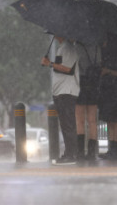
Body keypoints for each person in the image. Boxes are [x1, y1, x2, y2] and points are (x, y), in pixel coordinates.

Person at [41, 36, 80, 165]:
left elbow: (68, 69)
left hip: (66, 91)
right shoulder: (62, 48)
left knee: (68, 124)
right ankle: (69, 152)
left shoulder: (68, 48)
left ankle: (72, 154)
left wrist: (50, 64)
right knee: (64, 124)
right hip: (60, 91)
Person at [75, 42, 101, 161]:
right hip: (94, 84)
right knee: (92, 121)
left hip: (81, 83)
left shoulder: (78, 46)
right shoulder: (96, 47)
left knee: (80, 121)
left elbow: (75, 65)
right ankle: (91, 152)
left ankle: (80, 151)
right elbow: (99, 64)